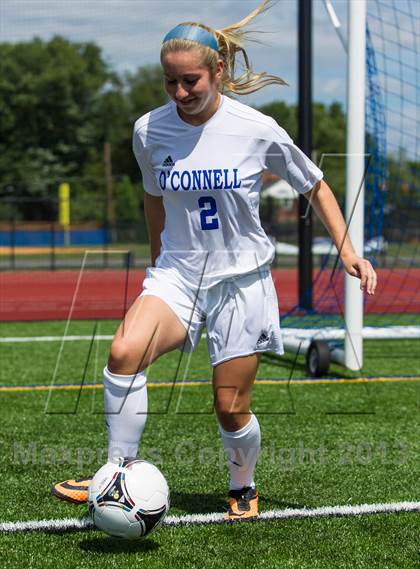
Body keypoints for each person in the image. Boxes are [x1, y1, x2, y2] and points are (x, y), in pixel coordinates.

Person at [52, 0, 377, 520]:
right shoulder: (148, 131)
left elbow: (315, 185)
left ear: (218, 71)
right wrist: (157, 262)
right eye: (169, 82)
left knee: (230, 408)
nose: (180, 94)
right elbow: (154, 196)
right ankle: (115, 472)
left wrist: (348, 252)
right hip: (178, 275)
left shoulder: (257, 128)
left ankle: (242, 486)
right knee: (122, 353)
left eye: (191, 81)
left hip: (241, 280)